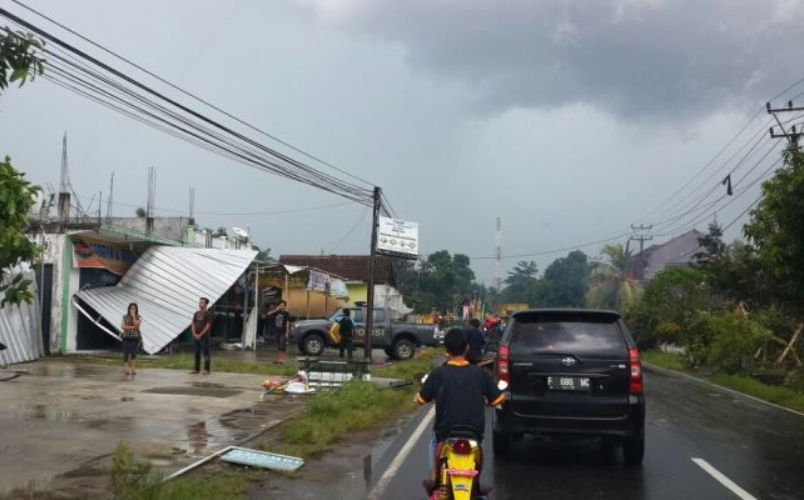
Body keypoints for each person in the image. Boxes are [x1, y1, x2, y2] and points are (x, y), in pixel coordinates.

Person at [415, 328, 504, 485]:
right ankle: (475, 483)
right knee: (478, 448)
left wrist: (418, 397)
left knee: (433, 442)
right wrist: (490, 402)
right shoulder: (480, 373)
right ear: (467, 348)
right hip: (474, 433)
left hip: (445, 433)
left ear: (446, 350)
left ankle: (435, 480)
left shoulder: (438, 373)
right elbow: (498, 399)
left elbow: (422, 399)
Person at [191, 297, 213, 375]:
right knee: (197, 352)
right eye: (200, 302)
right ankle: (196, 369)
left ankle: (206, 369)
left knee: (206, 352)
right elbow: (193, 324)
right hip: (196, 336)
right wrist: (194, 333)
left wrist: (200, 334)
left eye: (202, 302)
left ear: (206, 304)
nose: (200, 304)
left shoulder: (208, 313)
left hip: (204, 336)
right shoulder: (196, 313)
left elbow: (208, 325)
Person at [121, 303, 141, 377]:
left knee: (133, 353)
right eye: (131, 308)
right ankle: (126, 369)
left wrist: (133, 316)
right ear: (128, 309)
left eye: (134, 308)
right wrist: (132, 327)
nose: (132, 309)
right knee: (126, 353)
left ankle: (133, 369)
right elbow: (123, 327)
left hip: (134, 337)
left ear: (136, 309)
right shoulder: (125, 317)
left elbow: (137, 325)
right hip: (126, 337)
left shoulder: (138, 317)